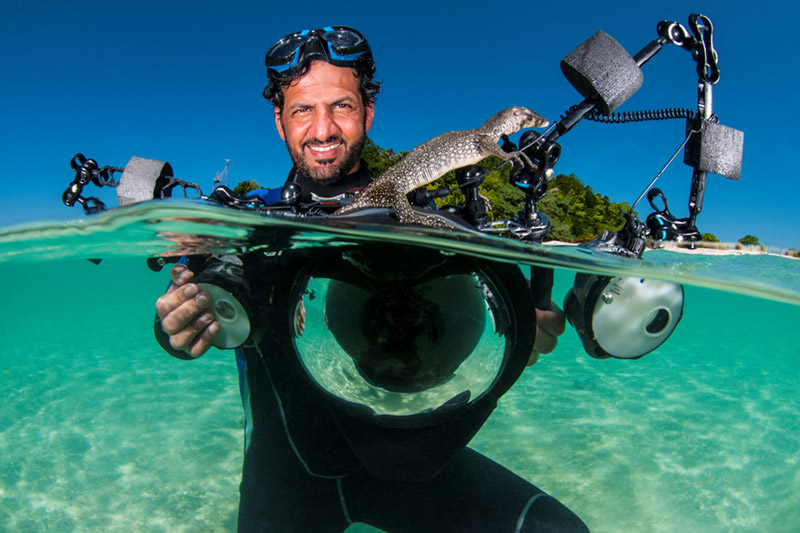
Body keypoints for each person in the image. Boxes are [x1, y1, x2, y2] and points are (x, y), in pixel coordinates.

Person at [155, 26, 587, 532]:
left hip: (420, 465)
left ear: (367, 113)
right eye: (301, 110)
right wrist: (182, 322)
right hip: (287, 483)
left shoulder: (420, 215)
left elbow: (484, 305)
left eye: (341, 106)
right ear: (280, 122)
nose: (322, 130)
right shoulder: (251, 222)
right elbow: (214, 286)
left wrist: (522, 325)